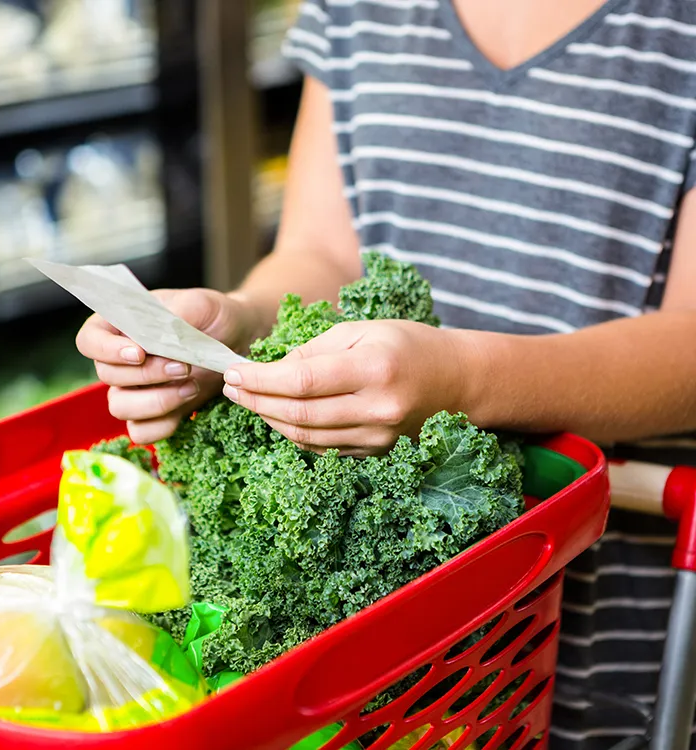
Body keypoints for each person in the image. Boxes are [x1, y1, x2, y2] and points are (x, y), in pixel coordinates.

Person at [75, 1, 696, 748]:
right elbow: (324, 257)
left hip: (594, 600)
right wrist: (238, 318)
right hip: (390, 650)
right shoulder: (358, 11)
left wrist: (464, 382)